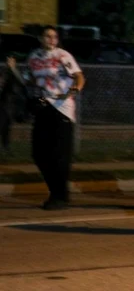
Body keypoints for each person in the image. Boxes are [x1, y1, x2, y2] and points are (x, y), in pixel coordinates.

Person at [22, 25, 85, 210]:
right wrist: (20, 76)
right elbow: (31, 78)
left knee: (60, 155)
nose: (51, 39)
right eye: (47, 36)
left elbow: (79, 76)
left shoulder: (63, 56)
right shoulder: (34, 57)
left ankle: (60, 196)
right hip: (43, 106)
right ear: (41, 38)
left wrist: (75, 89)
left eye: (54, 36)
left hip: (62, 108)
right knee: (39, 153)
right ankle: (55, 191)